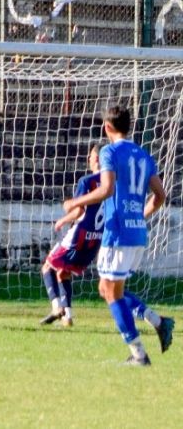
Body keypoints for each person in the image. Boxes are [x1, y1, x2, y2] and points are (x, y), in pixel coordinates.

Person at [62, 105, 173, 366]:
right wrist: (139, 217)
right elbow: (160, 195)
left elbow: (107, 189)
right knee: (109, 289)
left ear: (107, 127)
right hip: (136, 234)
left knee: (111, 292)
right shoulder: (143, 154)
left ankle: (139, 354)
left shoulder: (108, 151)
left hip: (118, 234)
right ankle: (158, 323)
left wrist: (75, 202)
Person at [39, 144, 103, 327]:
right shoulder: (111, 183)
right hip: (95, 239)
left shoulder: (87, 182)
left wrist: (62, 220)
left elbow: (78, 212)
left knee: (47, 267)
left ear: (96, 159)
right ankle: (67, 317)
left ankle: (56, 307)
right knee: (63, 273)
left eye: (90, 156)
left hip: (78, 235)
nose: (89, 159)